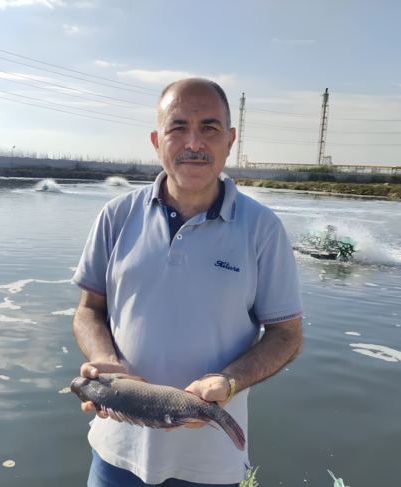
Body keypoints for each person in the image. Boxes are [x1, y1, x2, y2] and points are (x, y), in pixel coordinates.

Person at [71, 78, 304, 486]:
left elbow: (286, 334)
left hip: (210, 464)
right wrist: (103, 356)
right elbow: (90, 311)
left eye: (209, 128)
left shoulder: (262, 228)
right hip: (114, 454)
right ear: (156, 140)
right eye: (177, 127)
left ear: (229, 140)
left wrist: (229, 383)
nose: (193, 142)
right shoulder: (116, 215)